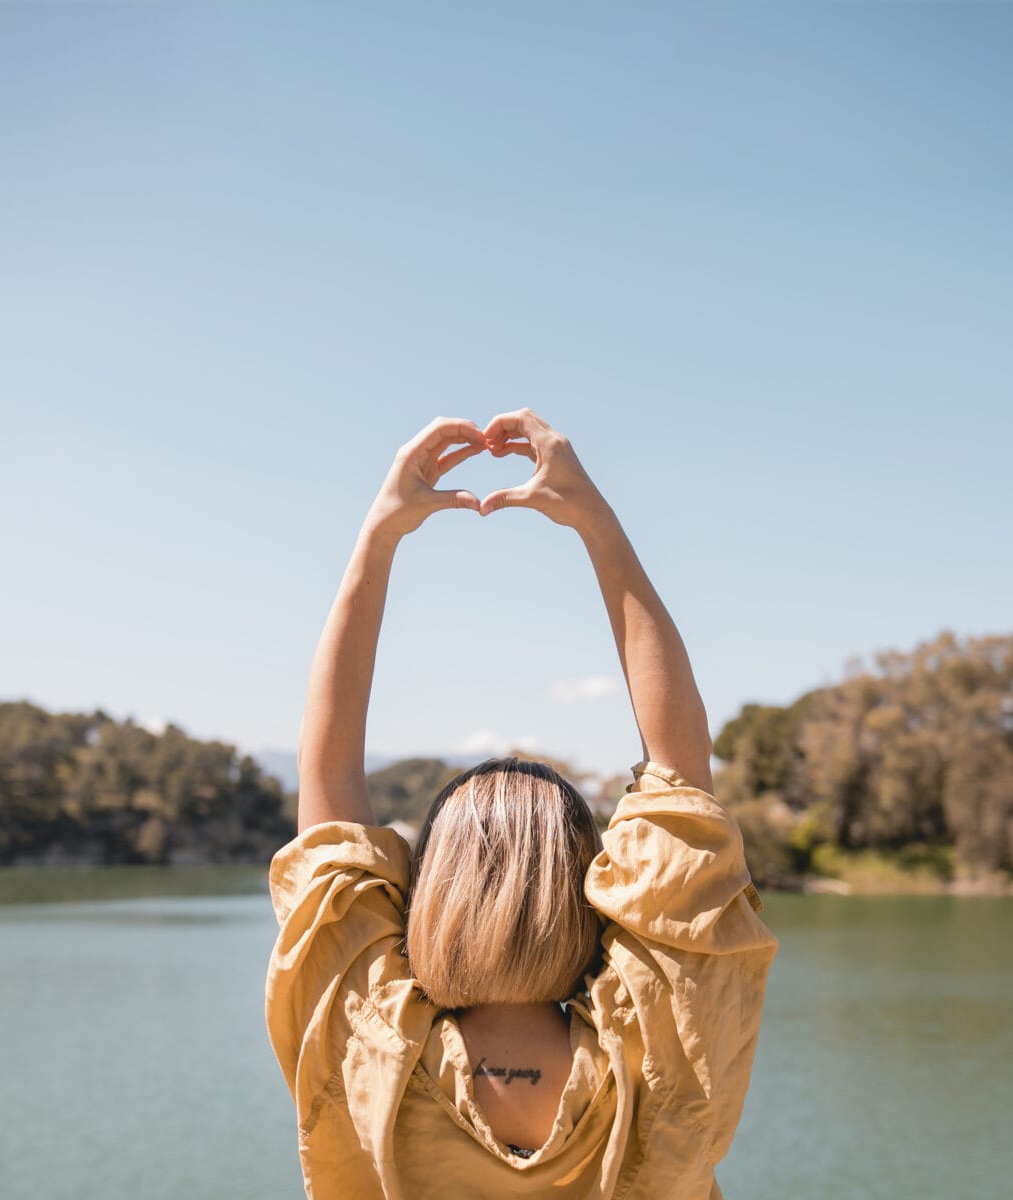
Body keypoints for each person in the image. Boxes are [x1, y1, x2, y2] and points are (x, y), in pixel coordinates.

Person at [265, 410, 778, 1199]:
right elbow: (681, 772)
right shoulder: (664, 1045)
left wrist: (379, 537)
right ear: (587, 892)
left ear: (427, 894)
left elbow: (328, 788)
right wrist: (598, 527)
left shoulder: (365, 1046)